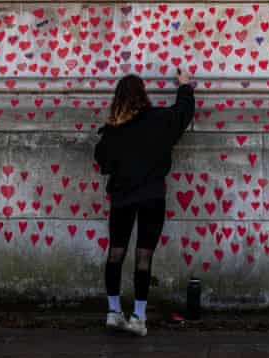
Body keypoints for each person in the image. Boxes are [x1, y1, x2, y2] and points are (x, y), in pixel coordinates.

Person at [93, 70, 195, 336]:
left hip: (123, 197)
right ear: (143, 94)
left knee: (116, 252)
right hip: (152, 196)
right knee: (143, 256)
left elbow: (102, 162)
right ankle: (138, 317)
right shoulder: (159, 120)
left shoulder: (114, 130)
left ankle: (114, 312)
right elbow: (182, 114)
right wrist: (184, 86)